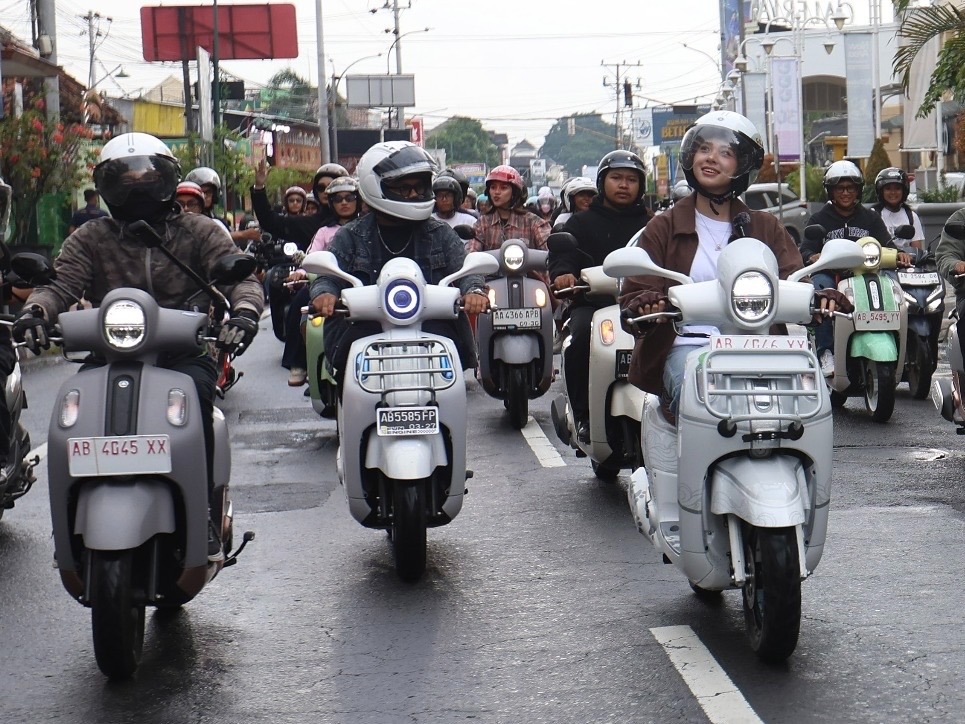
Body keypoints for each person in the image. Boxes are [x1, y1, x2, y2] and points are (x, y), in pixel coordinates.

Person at [12, 133, 264, 562]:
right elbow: (59, 284)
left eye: (148, 178)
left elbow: (239, 279)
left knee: (198, 401)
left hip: (184, 352)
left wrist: (243, 313)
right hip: (108, 353)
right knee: (74, 415)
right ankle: (71, 519)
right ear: (106, 187)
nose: (138, 189)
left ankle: (202, 510)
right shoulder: (92, 237)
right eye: (124, 181)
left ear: (168, 180)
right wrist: (35, 313)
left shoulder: (199, 230)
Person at [618, 111, 851, 423]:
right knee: (697, 398)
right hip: (687, 348)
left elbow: (793, 281)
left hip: (761, 346)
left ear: (742, 165)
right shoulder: (663, 226)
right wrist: (647, 303)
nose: (711, 157)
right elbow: (638, 290)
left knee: (809, 406)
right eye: (704, 148)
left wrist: (818, 298)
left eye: (725, 152)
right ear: (691, 156)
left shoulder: (765, 226)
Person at [308, 141, 488, 387]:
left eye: (420, 186)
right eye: (404, 188)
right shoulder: (351, 235)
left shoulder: (440, 232)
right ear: (375, 186)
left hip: (431, 325)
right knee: (348, 367)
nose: (414, 194)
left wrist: (474, 290)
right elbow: (329, 275)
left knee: (452, 368)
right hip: (366, 326)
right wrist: (324, 293)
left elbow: (465, 267)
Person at [548, 151, 651, 443]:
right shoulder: (580, 223)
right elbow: (563, 256)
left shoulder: (654, 224)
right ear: (603, 182)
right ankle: (583, 415)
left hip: (646, 307)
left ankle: (670, 413)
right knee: (580, 337)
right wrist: (564, 275)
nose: (624, 185)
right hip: (593, 305)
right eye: (616, 178)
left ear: (641, 186)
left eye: (631, 179)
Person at [800, 160, 912, 375]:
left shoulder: (870, 217)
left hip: (864, 274)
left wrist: (899, 254)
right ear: (831, 191)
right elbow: (805, 249)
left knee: (892, 290)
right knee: (821, 291)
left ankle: (899, 346)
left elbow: (887, 244)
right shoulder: (819, 218)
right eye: (840, 188)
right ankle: (826, 352)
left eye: (850, 188)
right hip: (830, 274)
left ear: (858, 190)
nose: (845, 193)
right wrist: (812, 256)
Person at [283, 176, 361, 386]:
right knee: (300, 307)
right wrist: (301, 272)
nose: (344, 203)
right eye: (338, 199)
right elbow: (312, 256)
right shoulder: (324, 231)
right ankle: (300, 362)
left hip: (363, 286)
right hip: (327, 283)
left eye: (349, 198)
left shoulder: (368, 228)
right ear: (331, 203)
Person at [251, 160, 345, 250]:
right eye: (321, 187)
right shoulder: (310, 223)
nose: (325, 191)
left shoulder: (353, 222)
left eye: (331, 186)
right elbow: (269, 221)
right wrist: (259, 188)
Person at [469, 165, 551, 254]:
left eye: (503, 188)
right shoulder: (482, 223)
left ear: (515, 192)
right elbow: (472, 252)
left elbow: (550, 251)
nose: (497, 192)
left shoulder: (533, 222)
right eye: (493, 187)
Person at [185, 166, 260, 247]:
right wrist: (242, 234)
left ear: (214, 195)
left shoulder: (218, 221)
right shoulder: (186, 220)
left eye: (208, 192)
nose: (204, 196)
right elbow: (204, 238)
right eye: (200, 192)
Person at [872, 167, 926, 251]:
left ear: (904, 191)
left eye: (897, 188)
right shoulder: (873, 215)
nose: (893, 192)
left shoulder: (912, 217)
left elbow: (917, 250)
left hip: (907, 258)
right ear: (881, 191)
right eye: (888, 189)